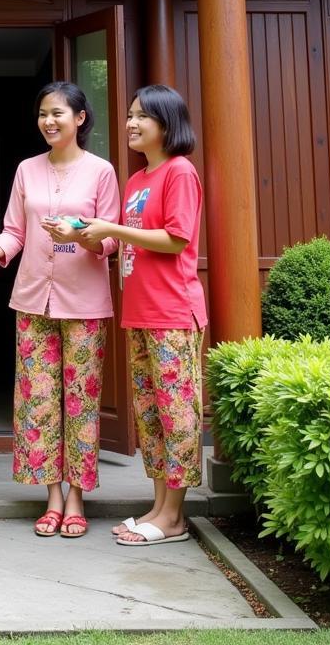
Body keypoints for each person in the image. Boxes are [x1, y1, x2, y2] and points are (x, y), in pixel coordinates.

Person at [0, 81, 119, 539]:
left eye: (59, 114)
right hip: (33, 300)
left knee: (79, 402)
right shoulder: (27, 170)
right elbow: (14, 231)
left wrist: (78, 233)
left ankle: (76, 497)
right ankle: (51, 496)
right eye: (43, 114)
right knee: (38, 402)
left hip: (85, 303)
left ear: (80, 119)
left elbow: (110, 239)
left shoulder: (101, 172)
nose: (49, 121)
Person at [78, 84, 206, 547]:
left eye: (141, 117)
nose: (130, 123)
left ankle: (174, 516)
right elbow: (124, 241)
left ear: (167, 125)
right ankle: (157, 508)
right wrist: (93, 236)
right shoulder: (136, 181)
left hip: (172, 311)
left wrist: (111, 227)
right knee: (150, 416)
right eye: (130, 115)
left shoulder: (179, 172)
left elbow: (177, 238)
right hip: (139, 312)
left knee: (177, 414)